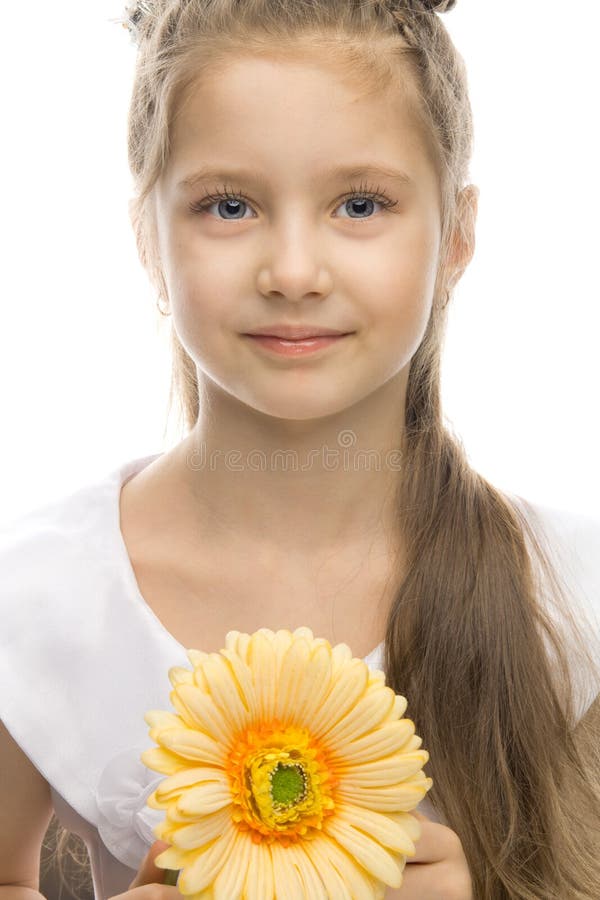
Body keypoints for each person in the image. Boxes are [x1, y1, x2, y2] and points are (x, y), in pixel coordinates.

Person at [1, 0, 599, 898]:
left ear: (457, 239)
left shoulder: (569, 596)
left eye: (360, 205)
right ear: (147, 244)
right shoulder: (36, 597)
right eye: (228, 205)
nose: (292, 271)